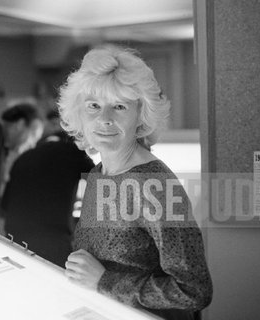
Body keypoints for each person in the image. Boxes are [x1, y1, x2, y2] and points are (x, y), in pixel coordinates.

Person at [59, 45, 212, 320]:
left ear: (141, 115)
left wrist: (105, 281)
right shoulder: (98, 174)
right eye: (93, 106)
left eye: (119, 106)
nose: (104, 119)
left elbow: (193, 290)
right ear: (79, 113)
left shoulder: (156, 186)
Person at [0, 110, 94, 267]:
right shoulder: (77, 156)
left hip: (14, 236)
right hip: (52, 239)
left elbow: (4, 205)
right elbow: (98, 192)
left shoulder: (25, 156)